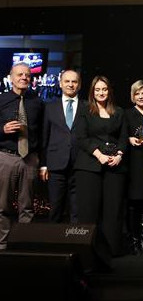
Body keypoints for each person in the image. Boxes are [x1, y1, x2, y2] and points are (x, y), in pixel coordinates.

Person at [74, 76, 127, 257]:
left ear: (109, 91)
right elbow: (81, 137)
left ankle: (111, 251)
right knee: (88, 211)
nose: (101, 93)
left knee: (113, 211)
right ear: (92, 92)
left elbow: (123, 137)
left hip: (115, 166)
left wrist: (119, 155)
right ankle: (87, 251)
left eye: (104, 89)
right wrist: (99, 155)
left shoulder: (119, 112)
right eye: (97, 90)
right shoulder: (85, 110)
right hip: (89, 165)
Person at [0, 63, 44, 251]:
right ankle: (2, 245)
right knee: (2, 206)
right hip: (6, 157)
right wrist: (2, 129)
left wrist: (42, 162)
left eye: (27, 75)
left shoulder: (38, 102)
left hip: (30, 159)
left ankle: (24, 245)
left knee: (27, 206)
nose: (24, 78)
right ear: (11, 77)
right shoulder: (1, 100)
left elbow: (43, 133)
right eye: (19, 74)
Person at [40, 69, 85, 223]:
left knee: (77, 210)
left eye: (74, 81)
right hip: (55, 164)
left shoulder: (87, 107)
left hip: (80, 164)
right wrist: (43, 164)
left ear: (79, 85)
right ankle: (53, 238)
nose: (70, 84)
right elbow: (44, 136)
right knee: (55, 208)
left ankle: (75, 237)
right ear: (60, 84)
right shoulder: (50, 107)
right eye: (67, 81)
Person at [125, 80, 143, 254]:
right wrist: (128, 139)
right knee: (133, 204)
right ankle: (133, 241)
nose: (141, 97)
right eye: (137, 93)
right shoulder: (126, 114)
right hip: (133, 163)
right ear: (132, 96)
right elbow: (119, 136)